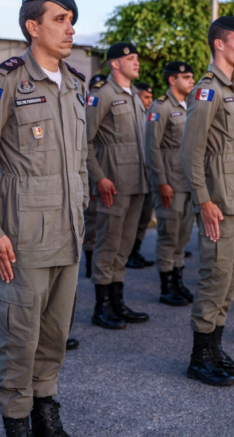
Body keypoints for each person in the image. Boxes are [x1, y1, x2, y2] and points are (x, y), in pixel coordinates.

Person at [0, 0, 87, 435]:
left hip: (68, 234)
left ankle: (46, 416)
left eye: (72, 19)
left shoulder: (75, 84)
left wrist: (82, 206)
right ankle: (16, 423)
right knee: (19, 337)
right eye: (61, 18)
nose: (71, 28)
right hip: (22, 237)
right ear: (33, 26)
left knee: (53, 335)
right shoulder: (5, 80)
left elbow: (79, 162)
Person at [180, 16, 234, 387]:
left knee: (233, 277)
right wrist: (203, 200)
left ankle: (215, 349)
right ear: (219, 44)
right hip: (219, 203)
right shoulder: (207, 90)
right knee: (214, 278)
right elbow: (190, 152)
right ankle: (199, 357)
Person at [86, 41, 150, 330]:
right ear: (115, 63)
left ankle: (117, 302)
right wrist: (98, 177)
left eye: (137, 58)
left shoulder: (134, 96)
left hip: (137, 181)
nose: (137, 63)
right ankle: (101, 308)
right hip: (113, 182)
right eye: (131, 58)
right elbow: (83, 140)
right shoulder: (103, 96)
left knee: (124, 246)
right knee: (107, 244)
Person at [144, 61, 196, 306]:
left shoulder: (190, 106)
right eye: (186, 77)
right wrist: (161, 182)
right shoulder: (161, 107)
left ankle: (178, 282)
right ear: (172, 80)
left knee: (183, 236)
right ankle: (166, 288)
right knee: (168, 236)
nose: (191, 81)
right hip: (170, 183)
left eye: (191, 77)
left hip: (187, 182)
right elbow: (152, 148)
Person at [127, 80, 158, 269]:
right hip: (132, 174)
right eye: (146, 97)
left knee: (145, 216)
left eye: (151, 97)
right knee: (132, 218)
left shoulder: (149, 115)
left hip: (148, 173)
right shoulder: (133, 114)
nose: (149, 101)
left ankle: (135, 251)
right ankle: (128, 253)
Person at [82, 73, 107, 278]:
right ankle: (90, 264)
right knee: (91, 222)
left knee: (105, 223)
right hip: (91, 171)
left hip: (105, 166)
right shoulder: (88, 109)